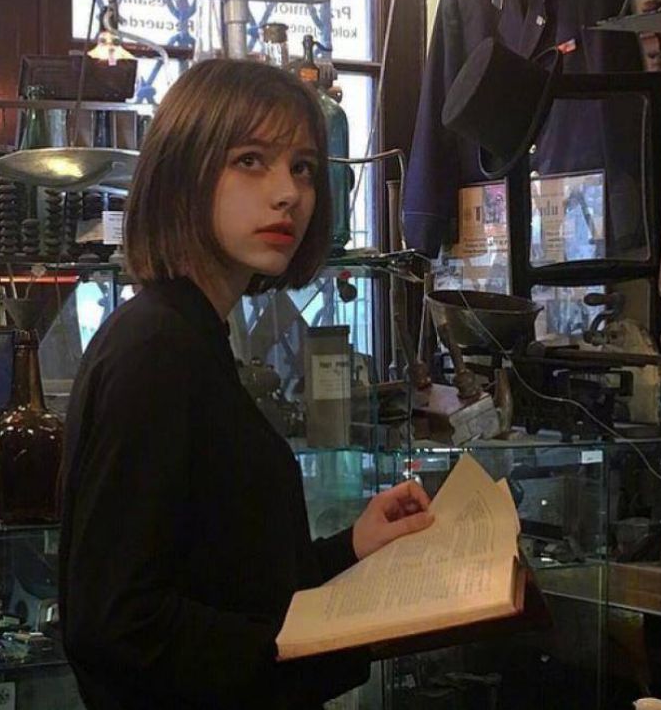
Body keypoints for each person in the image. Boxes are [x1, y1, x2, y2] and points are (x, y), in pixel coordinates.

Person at [60, 60, 434, 709]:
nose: (288, 193)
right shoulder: (158, 347)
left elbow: (230, 584)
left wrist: (352, 547)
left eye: (303, 167)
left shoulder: (190, 334)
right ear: (183, 172)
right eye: (250, 160)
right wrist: (326, 648)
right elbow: (115, 624)